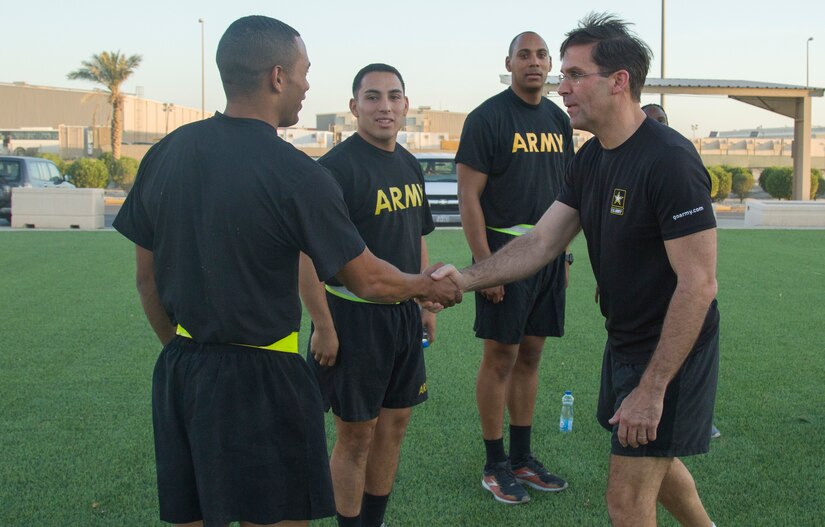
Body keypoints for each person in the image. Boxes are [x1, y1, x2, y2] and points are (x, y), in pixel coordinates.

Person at [113, 17, 460, 527]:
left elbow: (147, 277)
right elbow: (366, 279)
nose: (306, 84)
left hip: (182, 370)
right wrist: (428, 287)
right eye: (303, 72)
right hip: (265, 375)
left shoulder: (166, 152)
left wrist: (180, 349)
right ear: (278, 77)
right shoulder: (297, 172)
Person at [434, 13, 720, 527]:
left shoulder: (669, 160)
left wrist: (652, 389)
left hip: (671, 348)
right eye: (560, 73)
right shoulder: (592, 159)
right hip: (627, 340)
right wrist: (467, 277)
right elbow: (542, 240)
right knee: (660, 459)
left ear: (618, 81)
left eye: (572, 74)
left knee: (627, 500)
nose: (559, 85)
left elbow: (698, 285)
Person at [299, 63, 438, 527]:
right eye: (373, 97)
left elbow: (416, 235)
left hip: (401, 317)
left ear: (405, 105)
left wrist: (421, 301)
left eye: (394, 96)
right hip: (352, 317)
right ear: (354, 106)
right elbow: (304, 256)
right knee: (356, 435)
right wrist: (323, 325)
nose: (385, 106)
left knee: (394, 427)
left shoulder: (408, 162)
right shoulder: (334, 170)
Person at [454, 31, 573, 505]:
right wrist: (486, 267)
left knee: (531, 357)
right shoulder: (487, 118)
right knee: (499, 358)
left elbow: (565, 194)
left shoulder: (558, 120)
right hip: (505, 254)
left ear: (550, 65)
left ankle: (523, 458)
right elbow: (468, 197)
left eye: (542, 55)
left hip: (547, 255)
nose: (534, 62)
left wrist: (562, 254)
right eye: (525, 55)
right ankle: (495, 463)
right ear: (509, 62)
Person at [642, 102, 721, 441]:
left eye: (662, 120)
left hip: (680, 292)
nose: (658, 125)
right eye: (651, 121)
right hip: (639, 303)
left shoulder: (678, 158)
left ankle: (693, 417)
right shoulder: (619, 158)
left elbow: (700, 280)